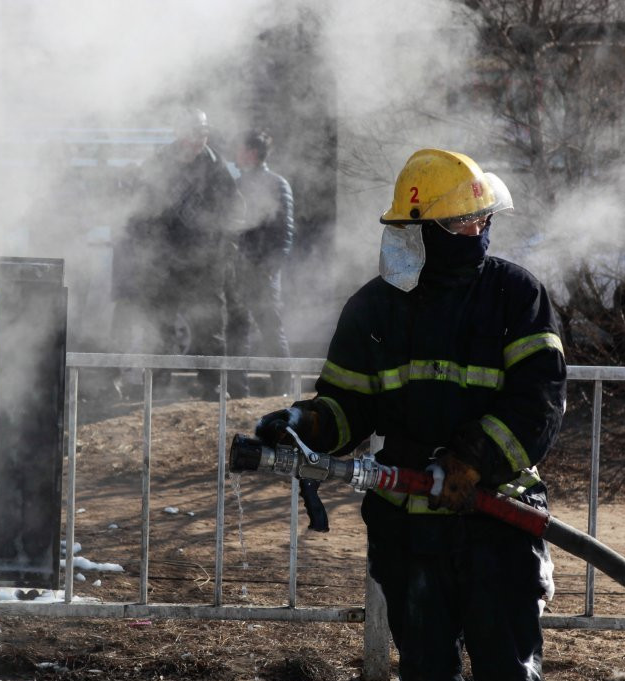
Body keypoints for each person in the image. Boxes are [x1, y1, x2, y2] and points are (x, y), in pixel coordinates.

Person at [253, 148, 567, 680]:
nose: (480, 229)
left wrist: (472, 461)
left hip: (496, 521)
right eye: (465, 221)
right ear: (425, 232)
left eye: (482, 217)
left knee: (507, 670)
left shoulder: (515, 295)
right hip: (411, 532)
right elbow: (348, 403)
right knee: (425, 671)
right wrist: (306, 423)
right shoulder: (374, 309)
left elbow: (538, 403)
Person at [111, 108, 241, 400]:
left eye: (204, 133)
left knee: (210, 325)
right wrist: (148, 252)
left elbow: (234, 211)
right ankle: (158, 384)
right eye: (193, 133)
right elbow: (139, 212)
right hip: (165, 261)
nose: (199, 140)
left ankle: (212, 384)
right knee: (161, 326)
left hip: (204, 262)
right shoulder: (158, 165)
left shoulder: (217, 166)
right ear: (178, 133)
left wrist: (224, 249)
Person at [226, 128, 295, 398]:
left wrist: (270, 268)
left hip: (263, 270)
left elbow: (285, 232)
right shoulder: (237, 185)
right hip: (238, 269)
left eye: (239, 149)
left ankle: (282, 391)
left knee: (270, 328)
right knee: (236, 329)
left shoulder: (277, 185)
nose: (235, 154)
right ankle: (236, 392)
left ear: (251, 153)